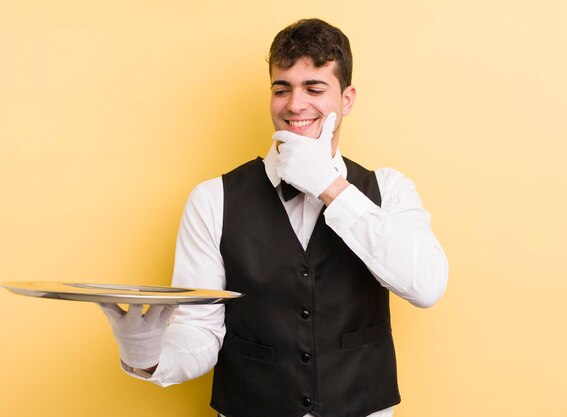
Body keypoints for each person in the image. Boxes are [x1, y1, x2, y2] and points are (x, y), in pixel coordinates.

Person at [100, 18, 448, 417]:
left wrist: (329, 186)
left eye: (314, 88)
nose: (295, 105)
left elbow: (426, 287)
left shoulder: (389, 190)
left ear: (347, 99)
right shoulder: (213, 199)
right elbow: (200, 330)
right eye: (282, 89)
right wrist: (147, 355)